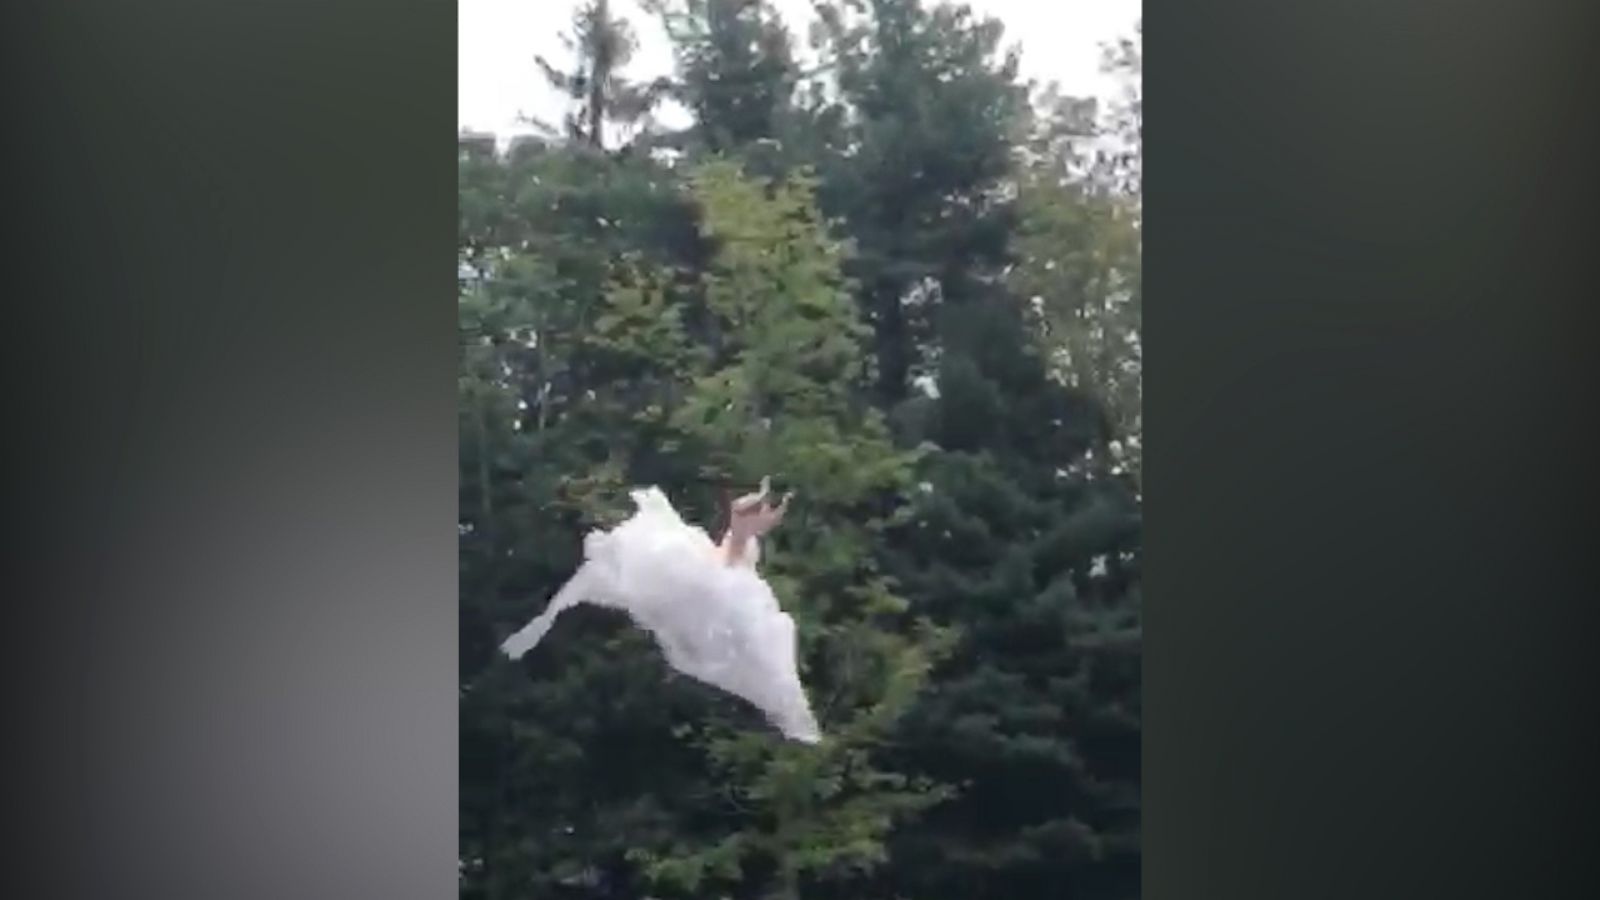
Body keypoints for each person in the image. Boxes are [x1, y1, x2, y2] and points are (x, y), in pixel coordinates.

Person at [501, 478, 821, 743]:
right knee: (764, 652)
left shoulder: (718, 558)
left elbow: (733, 549)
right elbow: (728, 554)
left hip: (722, 601)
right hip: (718, 600)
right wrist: (748, 522)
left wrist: (750, 523)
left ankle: (793, 719)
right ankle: (793, 719)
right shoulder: (702, 560)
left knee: (767, 654)